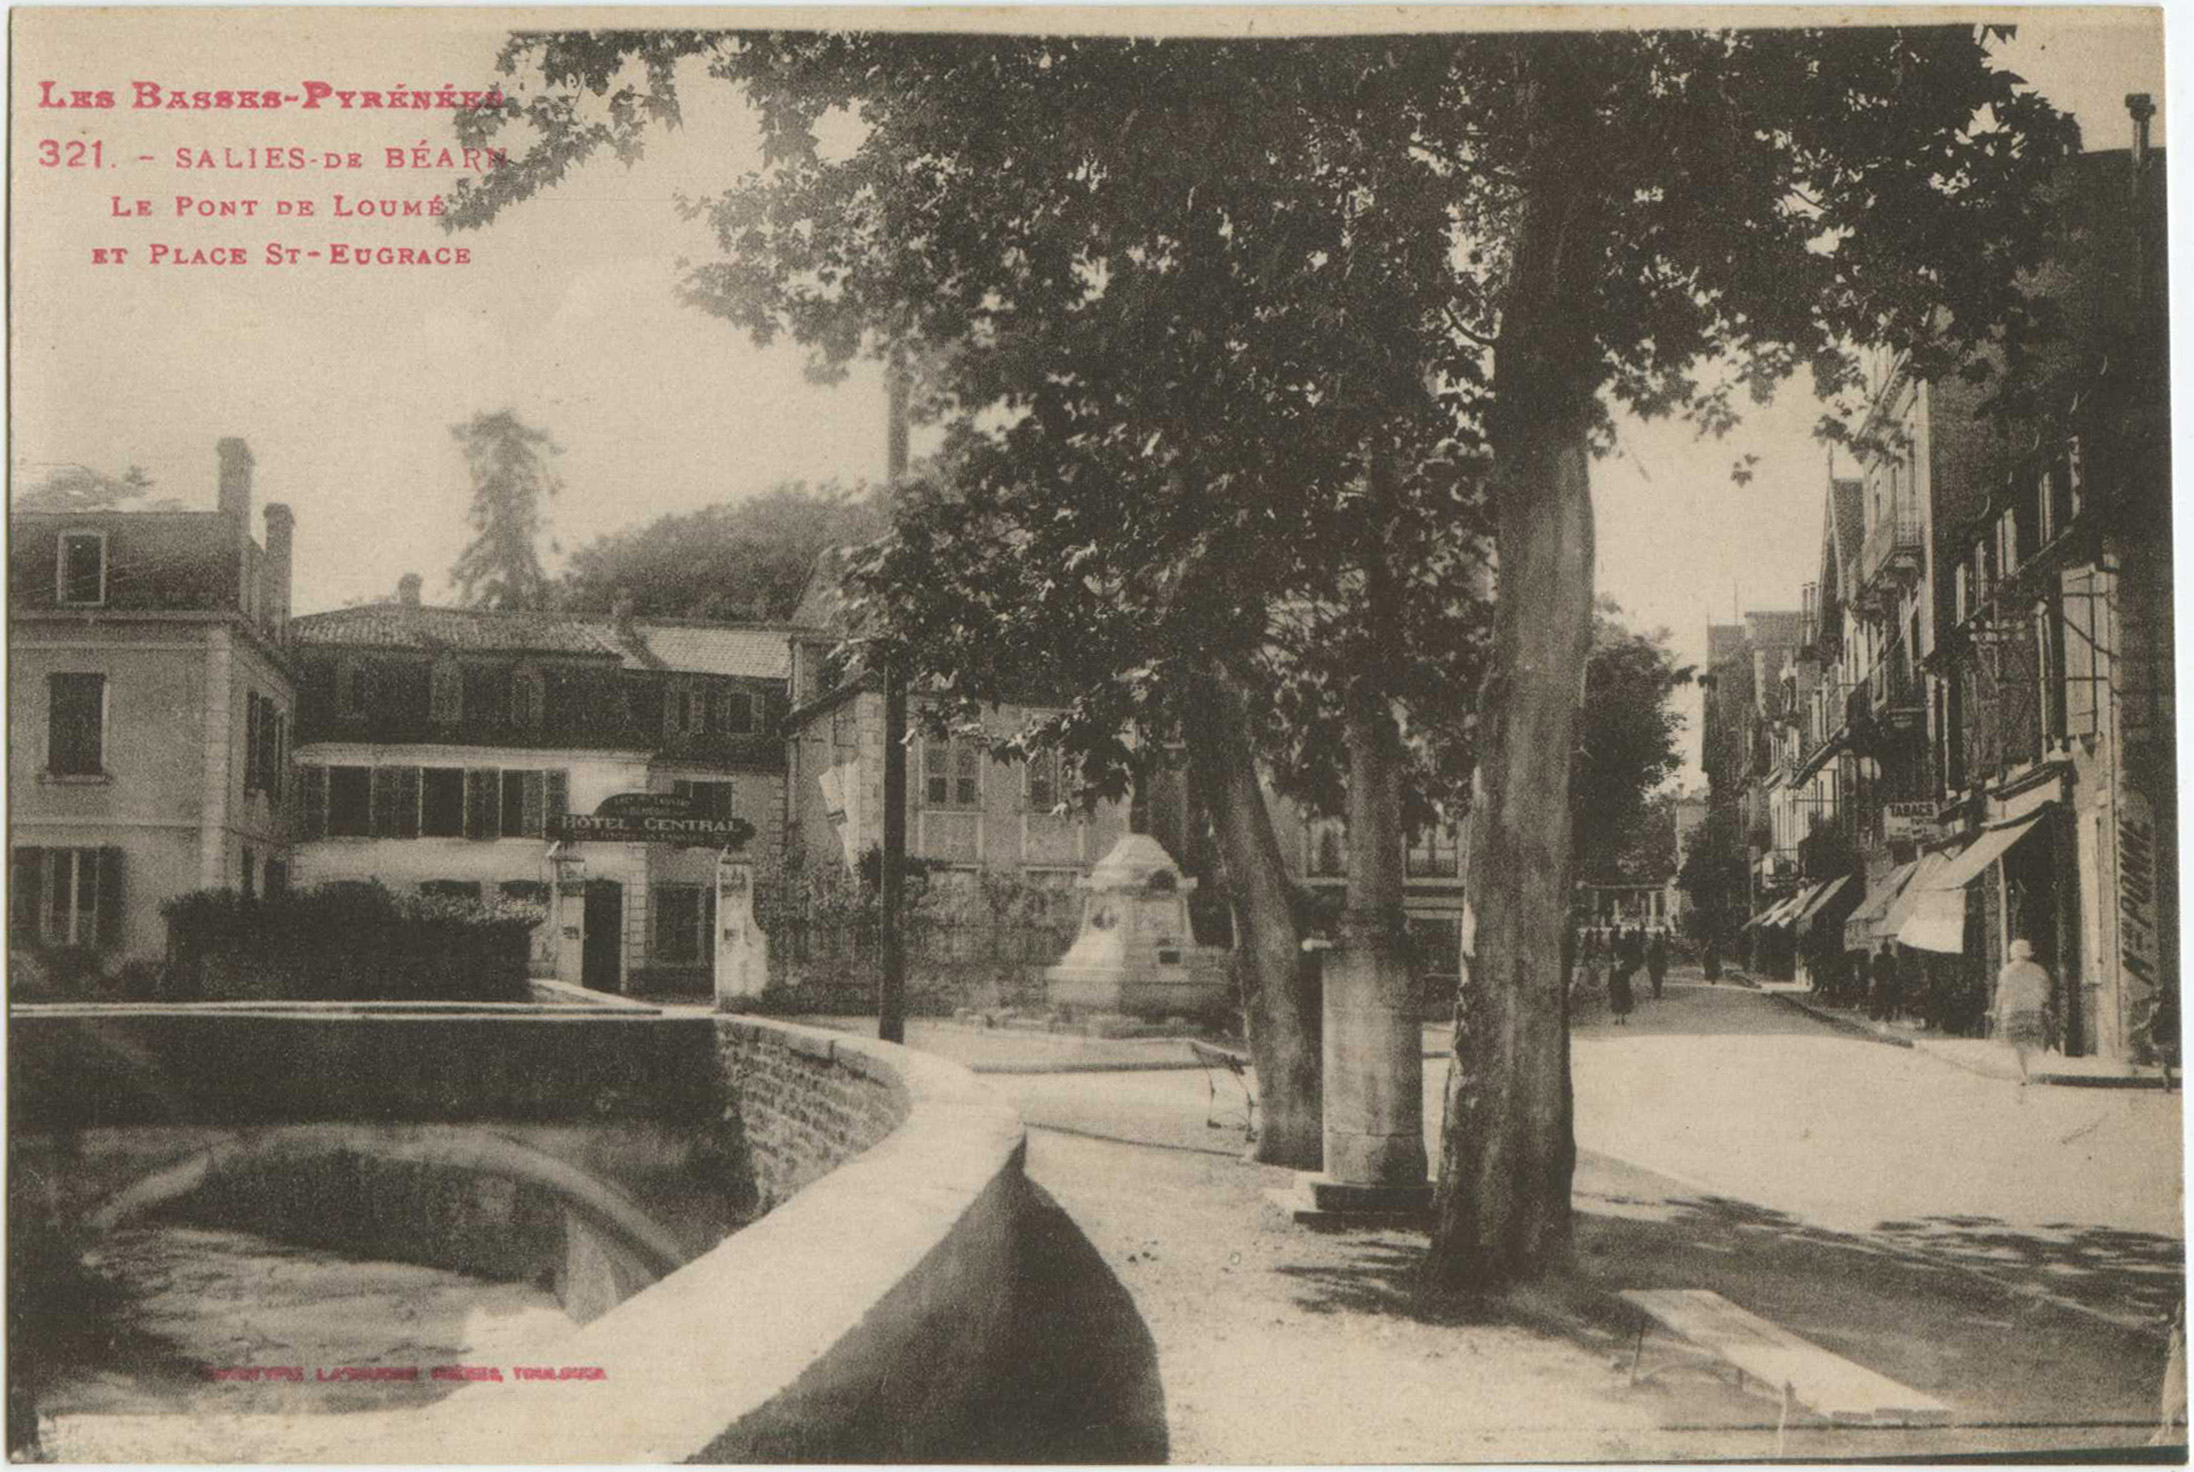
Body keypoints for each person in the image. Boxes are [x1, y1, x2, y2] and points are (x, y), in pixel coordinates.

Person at [1994, 937, 2053, 1086]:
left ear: (2012, 952)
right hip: (2033, 1010)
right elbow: (2046, 990)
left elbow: (2001, 992)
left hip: (2013, 1010)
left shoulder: (2007, 970)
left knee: (2019, 1044)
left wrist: (1997, 1010)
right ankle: (2029, 1070)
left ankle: (2024, 1073)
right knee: (2029, 1040)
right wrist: (2043, 1003)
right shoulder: (2038, 970)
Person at [1870, 941, 1900, 1023]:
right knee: (1885, 1000)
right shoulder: (1891, 959)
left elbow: (1873, 970)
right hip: (1885, 982)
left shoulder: (1879, 958)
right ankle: (1885, 1016)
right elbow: (1894, 971)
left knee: (1881, 999)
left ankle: (1881, 1015)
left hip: (1883, 982)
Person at [1607, 945, 1635, 1024]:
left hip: (1623, 986)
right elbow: (1611, 976)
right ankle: (1616, 1018)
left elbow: (1627, 975)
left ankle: (1623, 1018)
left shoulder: (1625, 965)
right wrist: (1609, 984)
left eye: (1617, 955)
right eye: (1615, 955)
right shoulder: (1613, 965)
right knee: (1615, 1002)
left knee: (1624, 1002)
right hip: (1615, 986)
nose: (1616, 956)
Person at [1645, 928, 1669, 1001]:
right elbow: (1664, 957)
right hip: (1657, 965)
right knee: (1657, 980)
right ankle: (1657, 993)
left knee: (1656, 980)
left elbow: (1649, 955)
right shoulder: (1661, 946)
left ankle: (1657, 993)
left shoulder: (1655, 946)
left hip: (1655, 965)